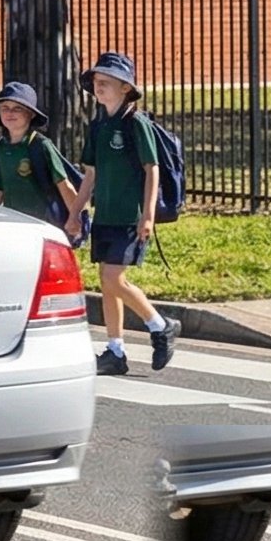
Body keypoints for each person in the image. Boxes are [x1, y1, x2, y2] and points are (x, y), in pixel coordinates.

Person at [69, 51, 181, 376]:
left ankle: (160, 326)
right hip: (105, 214)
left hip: (129, 216)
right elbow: (90, 175)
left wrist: (147, 214)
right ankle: (115, 350)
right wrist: (75, 212)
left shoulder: (136, 123)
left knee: (112, 277)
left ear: (125, 88)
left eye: (106, 82)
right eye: (96, 83)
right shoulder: (98, 127)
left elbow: (152, 169)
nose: (98, 87)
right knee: (108, 284)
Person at [0, 81, 80, 232]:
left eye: (17, 108)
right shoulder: (1, 147)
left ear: (31, 114)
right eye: (5, 108)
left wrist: (75, 218)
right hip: (14, 222)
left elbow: (63, 184)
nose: (10, 113)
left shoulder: (40, 145)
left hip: (43, 223)